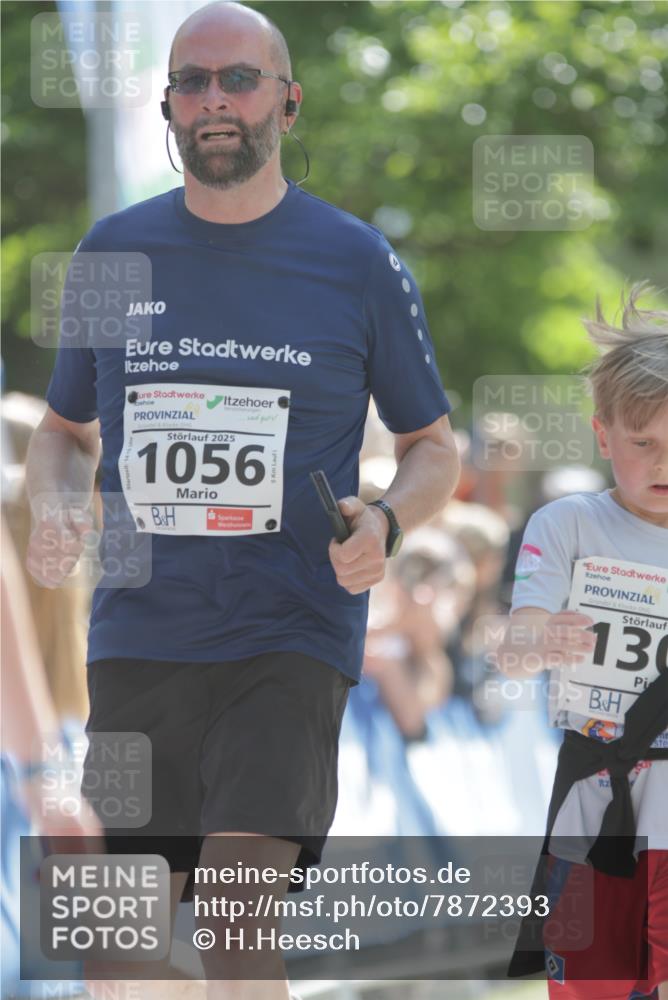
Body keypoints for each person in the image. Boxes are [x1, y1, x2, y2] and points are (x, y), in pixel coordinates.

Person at [25, 4, 459, 998]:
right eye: (192, 82)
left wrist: (388, 522)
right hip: (139, 637)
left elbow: (434, 447)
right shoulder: (111, 251)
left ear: (287, 103)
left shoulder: (356, 262)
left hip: (287, 635)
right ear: (168, 105)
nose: (214, 100)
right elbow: (62, 434)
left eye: (238, 79)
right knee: (119, 943)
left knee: (230, 915)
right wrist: (56, 505)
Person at [497, 283, 668, 1000]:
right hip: (595, 794)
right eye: (644, 444)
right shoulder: (566, 523)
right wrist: (543, 638)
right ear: (602, 436)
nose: (664, 463)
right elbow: (513, 647)